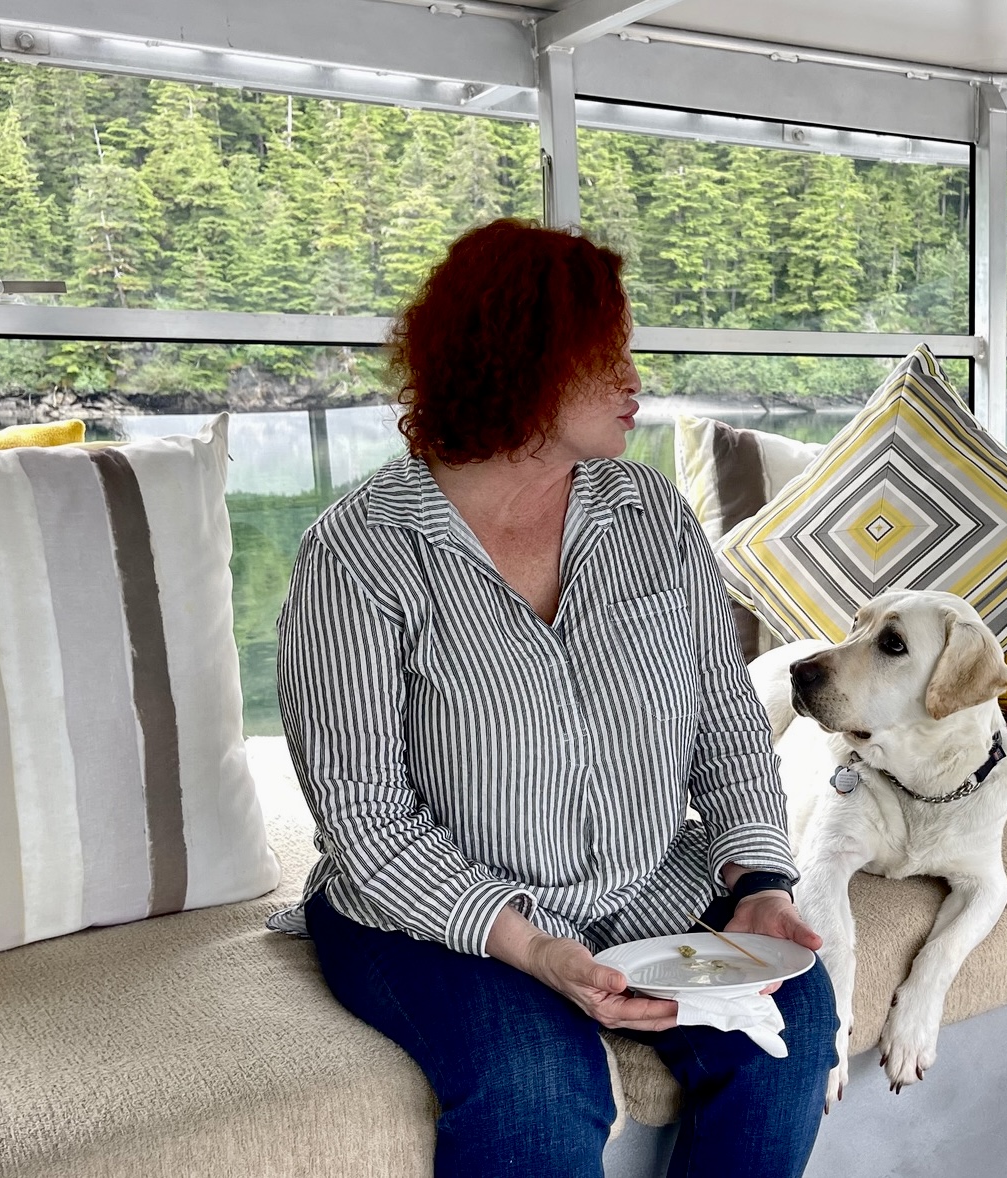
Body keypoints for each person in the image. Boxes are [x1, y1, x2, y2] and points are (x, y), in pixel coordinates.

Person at [270, 218, 836, 1178]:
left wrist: (759, 883)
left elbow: (727, 729)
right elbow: (365, 820)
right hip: (434, 913)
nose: (633, 380)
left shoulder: (650, 512)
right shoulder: (356, 553)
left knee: (788, 1033)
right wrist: (533, 949)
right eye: (604, 355)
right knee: (535, 1085)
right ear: (517, 362)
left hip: (647, 882)